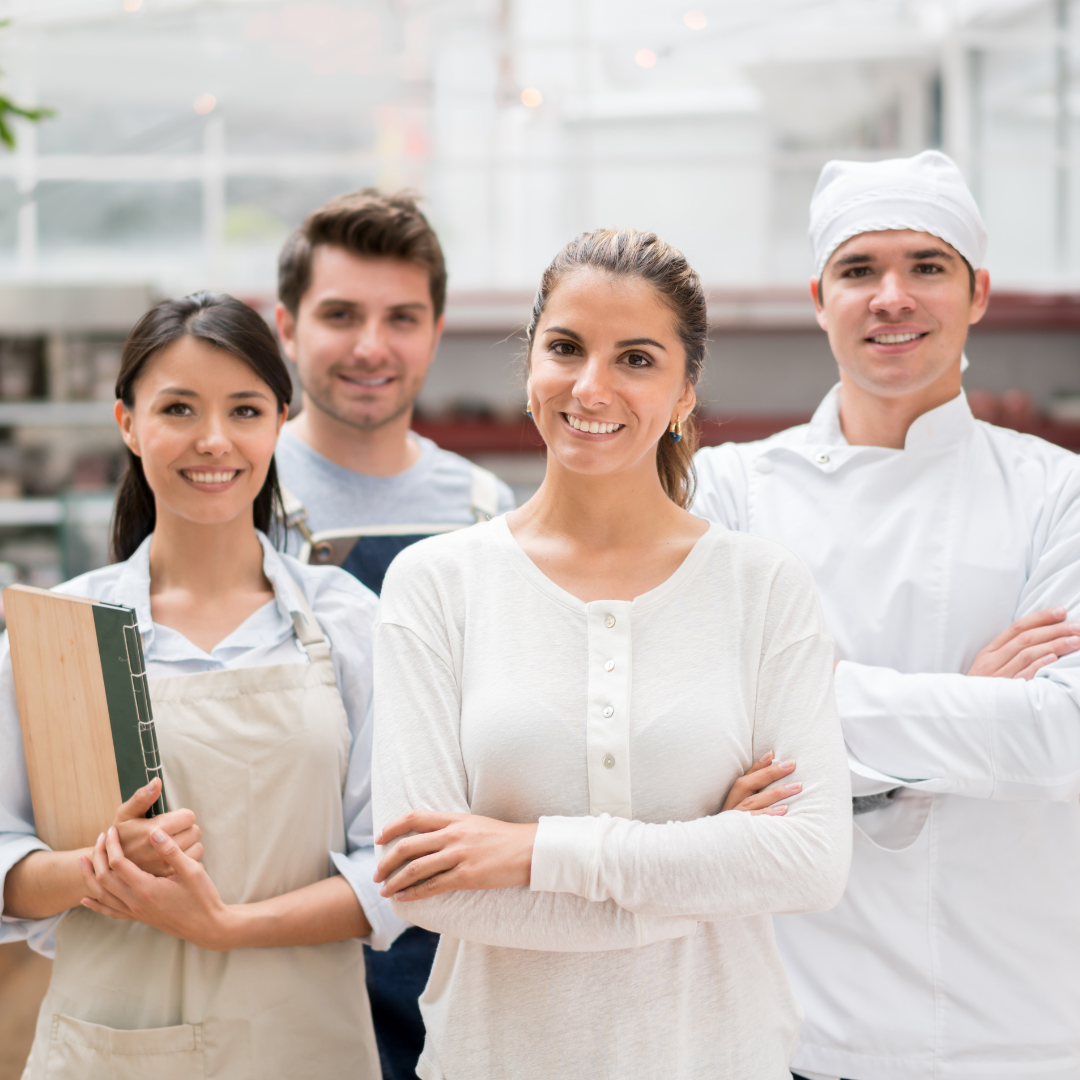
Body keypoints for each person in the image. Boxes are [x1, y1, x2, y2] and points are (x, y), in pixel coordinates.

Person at [370, 229, 853, 1079]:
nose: (591, 387)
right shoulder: (438, 584)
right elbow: (426, 884)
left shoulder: (763, 587)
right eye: (565, 348)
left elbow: (810, 863)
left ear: (683, 392)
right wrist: (710, 861)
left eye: (636, 358)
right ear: (530, 366)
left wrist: (530, 852)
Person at [692, 151, 1080, 1080]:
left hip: (1019, 1020)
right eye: (859, 270)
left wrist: (811, 716)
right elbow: (705, 730)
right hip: (798, 1021)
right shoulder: (731, 489)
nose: (891, 296)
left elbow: (1060, 737)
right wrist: (963, 703)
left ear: (979, 291)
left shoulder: (1057, 492)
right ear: (820, 296)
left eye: (927, 266)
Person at [0, 292, 389, 1078]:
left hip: (306, 1049)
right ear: (127, 424)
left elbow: (388, 870)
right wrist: (96, 869)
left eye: (244, 409)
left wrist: (225, 926)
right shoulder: (60, 629)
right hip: (110, 1050)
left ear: (281, 421)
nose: (213, 440)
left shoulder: (351, 623)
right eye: (178, 408)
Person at [273, 188, 514, 1080]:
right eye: (340, 314)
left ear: (437, 329)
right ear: (287, 327)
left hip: (447, 935)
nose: (372, 346)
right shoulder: (225, 498)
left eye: (401, 318)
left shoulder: (493, 515)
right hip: (274, 926)